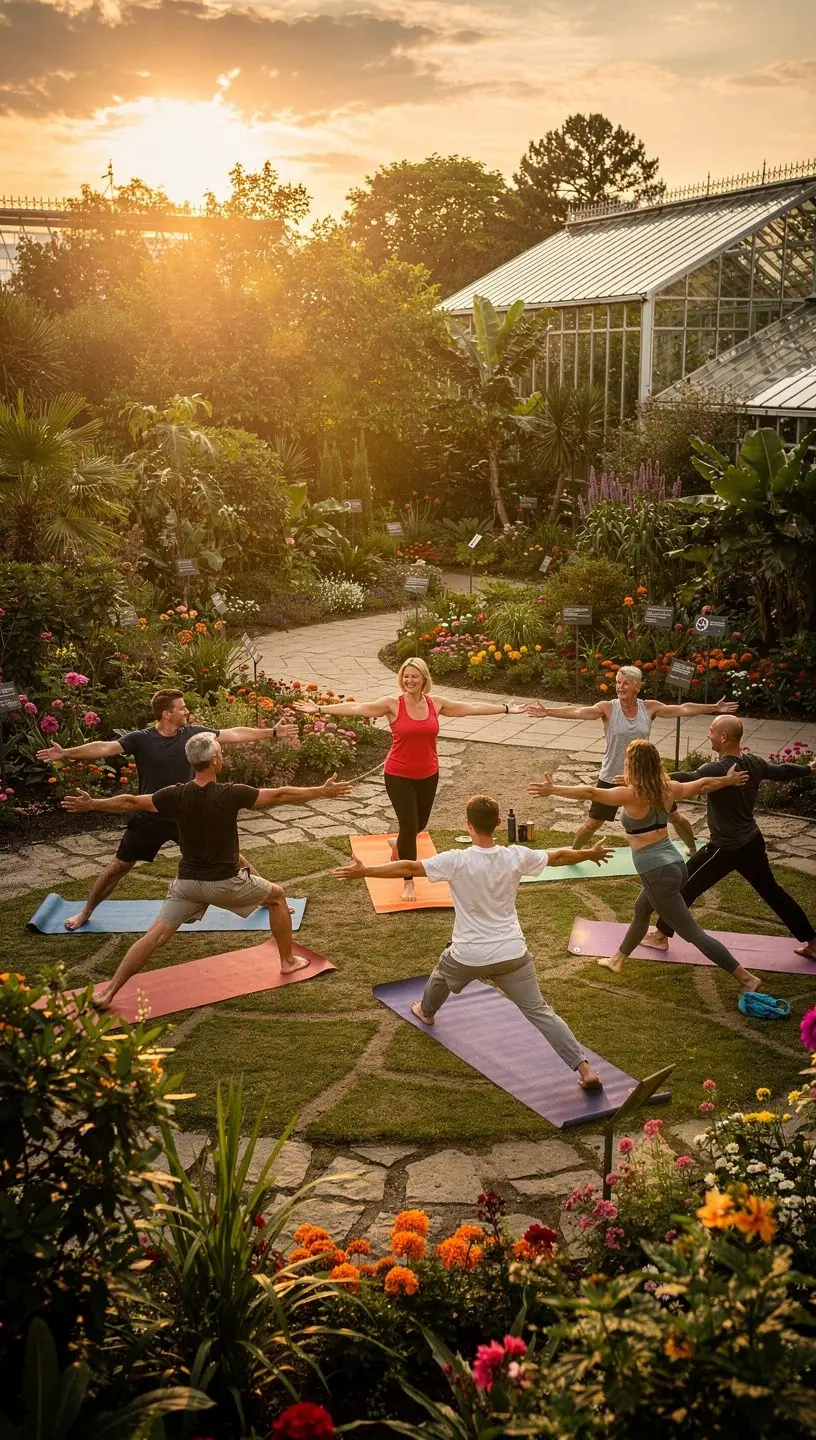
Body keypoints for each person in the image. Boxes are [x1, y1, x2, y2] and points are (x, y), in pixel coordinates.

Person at [333, 793, 612, 1090]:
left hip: (468, 955)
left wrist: (365, 871)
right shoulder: (516, 856)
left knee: (442, 972)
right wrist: (588, 854)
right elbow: (557, 856)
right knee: (541, 1012)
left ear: (468, 825)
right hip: (512, 954)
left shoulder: (456, 860)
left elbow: (410, 867)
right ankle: (585, 1070)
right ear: (498, 823)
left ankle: (426, 1012)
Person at [62, 732, 354, 1007]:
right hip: (224, 883)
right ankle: (287, 961)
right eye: (221, 752)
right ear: (214, 760)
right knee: (277, 896)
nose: (222, 755)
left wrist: (93, 803)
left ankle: (108, 992)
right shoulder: (230, 793)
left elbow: (130, 801)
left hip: (187, 885)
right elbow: (279, 795)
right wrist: (322, 791)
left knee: (155, 936)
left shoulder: (174, 794)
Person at [37, 688, 299, 930]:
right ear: (166, 713)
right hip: (150, 814)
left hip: (186, 813)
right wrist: (67, 753)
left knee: (232, 857)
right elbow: (105, 747)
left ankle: (268, 899)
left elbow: (233, 734)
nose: (186, 711)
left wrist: (272, 733)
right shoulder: (142, 739)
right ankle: (86, 911)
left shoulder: (192, 734)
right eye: (181, 708)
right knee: (119, 867)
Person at [530, 738, 762, 996]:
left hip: (656, 871)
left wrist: (553, 789)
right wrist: (728, 780)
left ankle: (746, 978)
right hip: (675, 865)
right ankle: (617, 959)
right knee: (641, 909)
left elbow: (591, 793)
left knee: (693, 933)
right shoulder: (669, 788)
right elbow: (704, 784)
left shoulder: (630, 795)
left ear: (633, 765)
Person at [295, 658, 527, 902]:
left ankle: (398, 844)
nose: (409, 680)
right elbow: (358, 708)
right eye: (406, 676)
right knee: (408, 825)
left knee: (420, 824)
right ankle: (408, 882)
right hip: (398, 774)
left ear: (424, 678)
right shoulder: (392, 704)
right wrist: (319, 709)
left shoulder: (436, 704)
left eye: (414, 676)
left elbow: (470, 707)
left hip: (428, 773)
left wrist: (505, 708)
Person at [643, 715, 816, 959]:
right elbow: (782, 771)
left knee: (685, 884)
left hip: (725, 847)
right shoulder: (754, 762)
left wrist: (644, 780)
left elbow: (684, 779)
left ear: (724, 737)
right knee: (773, 892)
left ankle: (660, 936)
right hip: (752, 842)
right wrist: (809, 768)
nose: (708, 735)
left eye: (711, 731)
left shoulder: (717, 769)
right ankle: (813, 943)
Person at [525, 665, 740, 853]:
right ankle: (574, 853)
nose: (620, 687)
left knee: (674, 817)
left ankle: (692, 849)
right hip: (612, 775)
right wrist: (549, 711)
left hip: (644, 778)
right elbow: (578, 711)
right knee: (592, 823)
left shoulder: (649, 708)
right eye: (618, 683)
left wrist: (714, 708)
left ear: (638, 686)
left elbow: (683, 708)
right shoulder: (608, 708)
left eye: (625, 683)